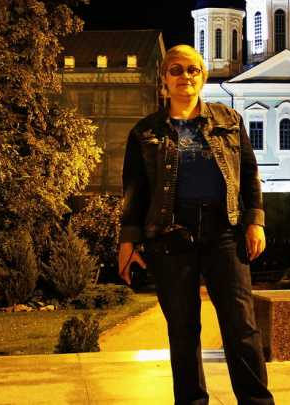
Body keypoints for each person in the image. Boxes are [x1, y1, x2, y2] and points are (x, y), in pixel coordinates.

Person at [117, 44, 275, 405]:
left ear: (203, 77)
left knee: (242, 326)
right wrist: (128, 242)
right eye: (175, 70)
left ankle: (257, 403)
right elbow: (134, 191)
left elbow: (249, 174)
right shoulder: (145, 131)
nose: (184, 76)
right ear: (164, 80)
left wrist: (255, 221)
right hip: (170, 235)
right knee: (183, 329)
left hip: (224, 231)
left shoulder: (229, 120)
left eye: (192, 69)